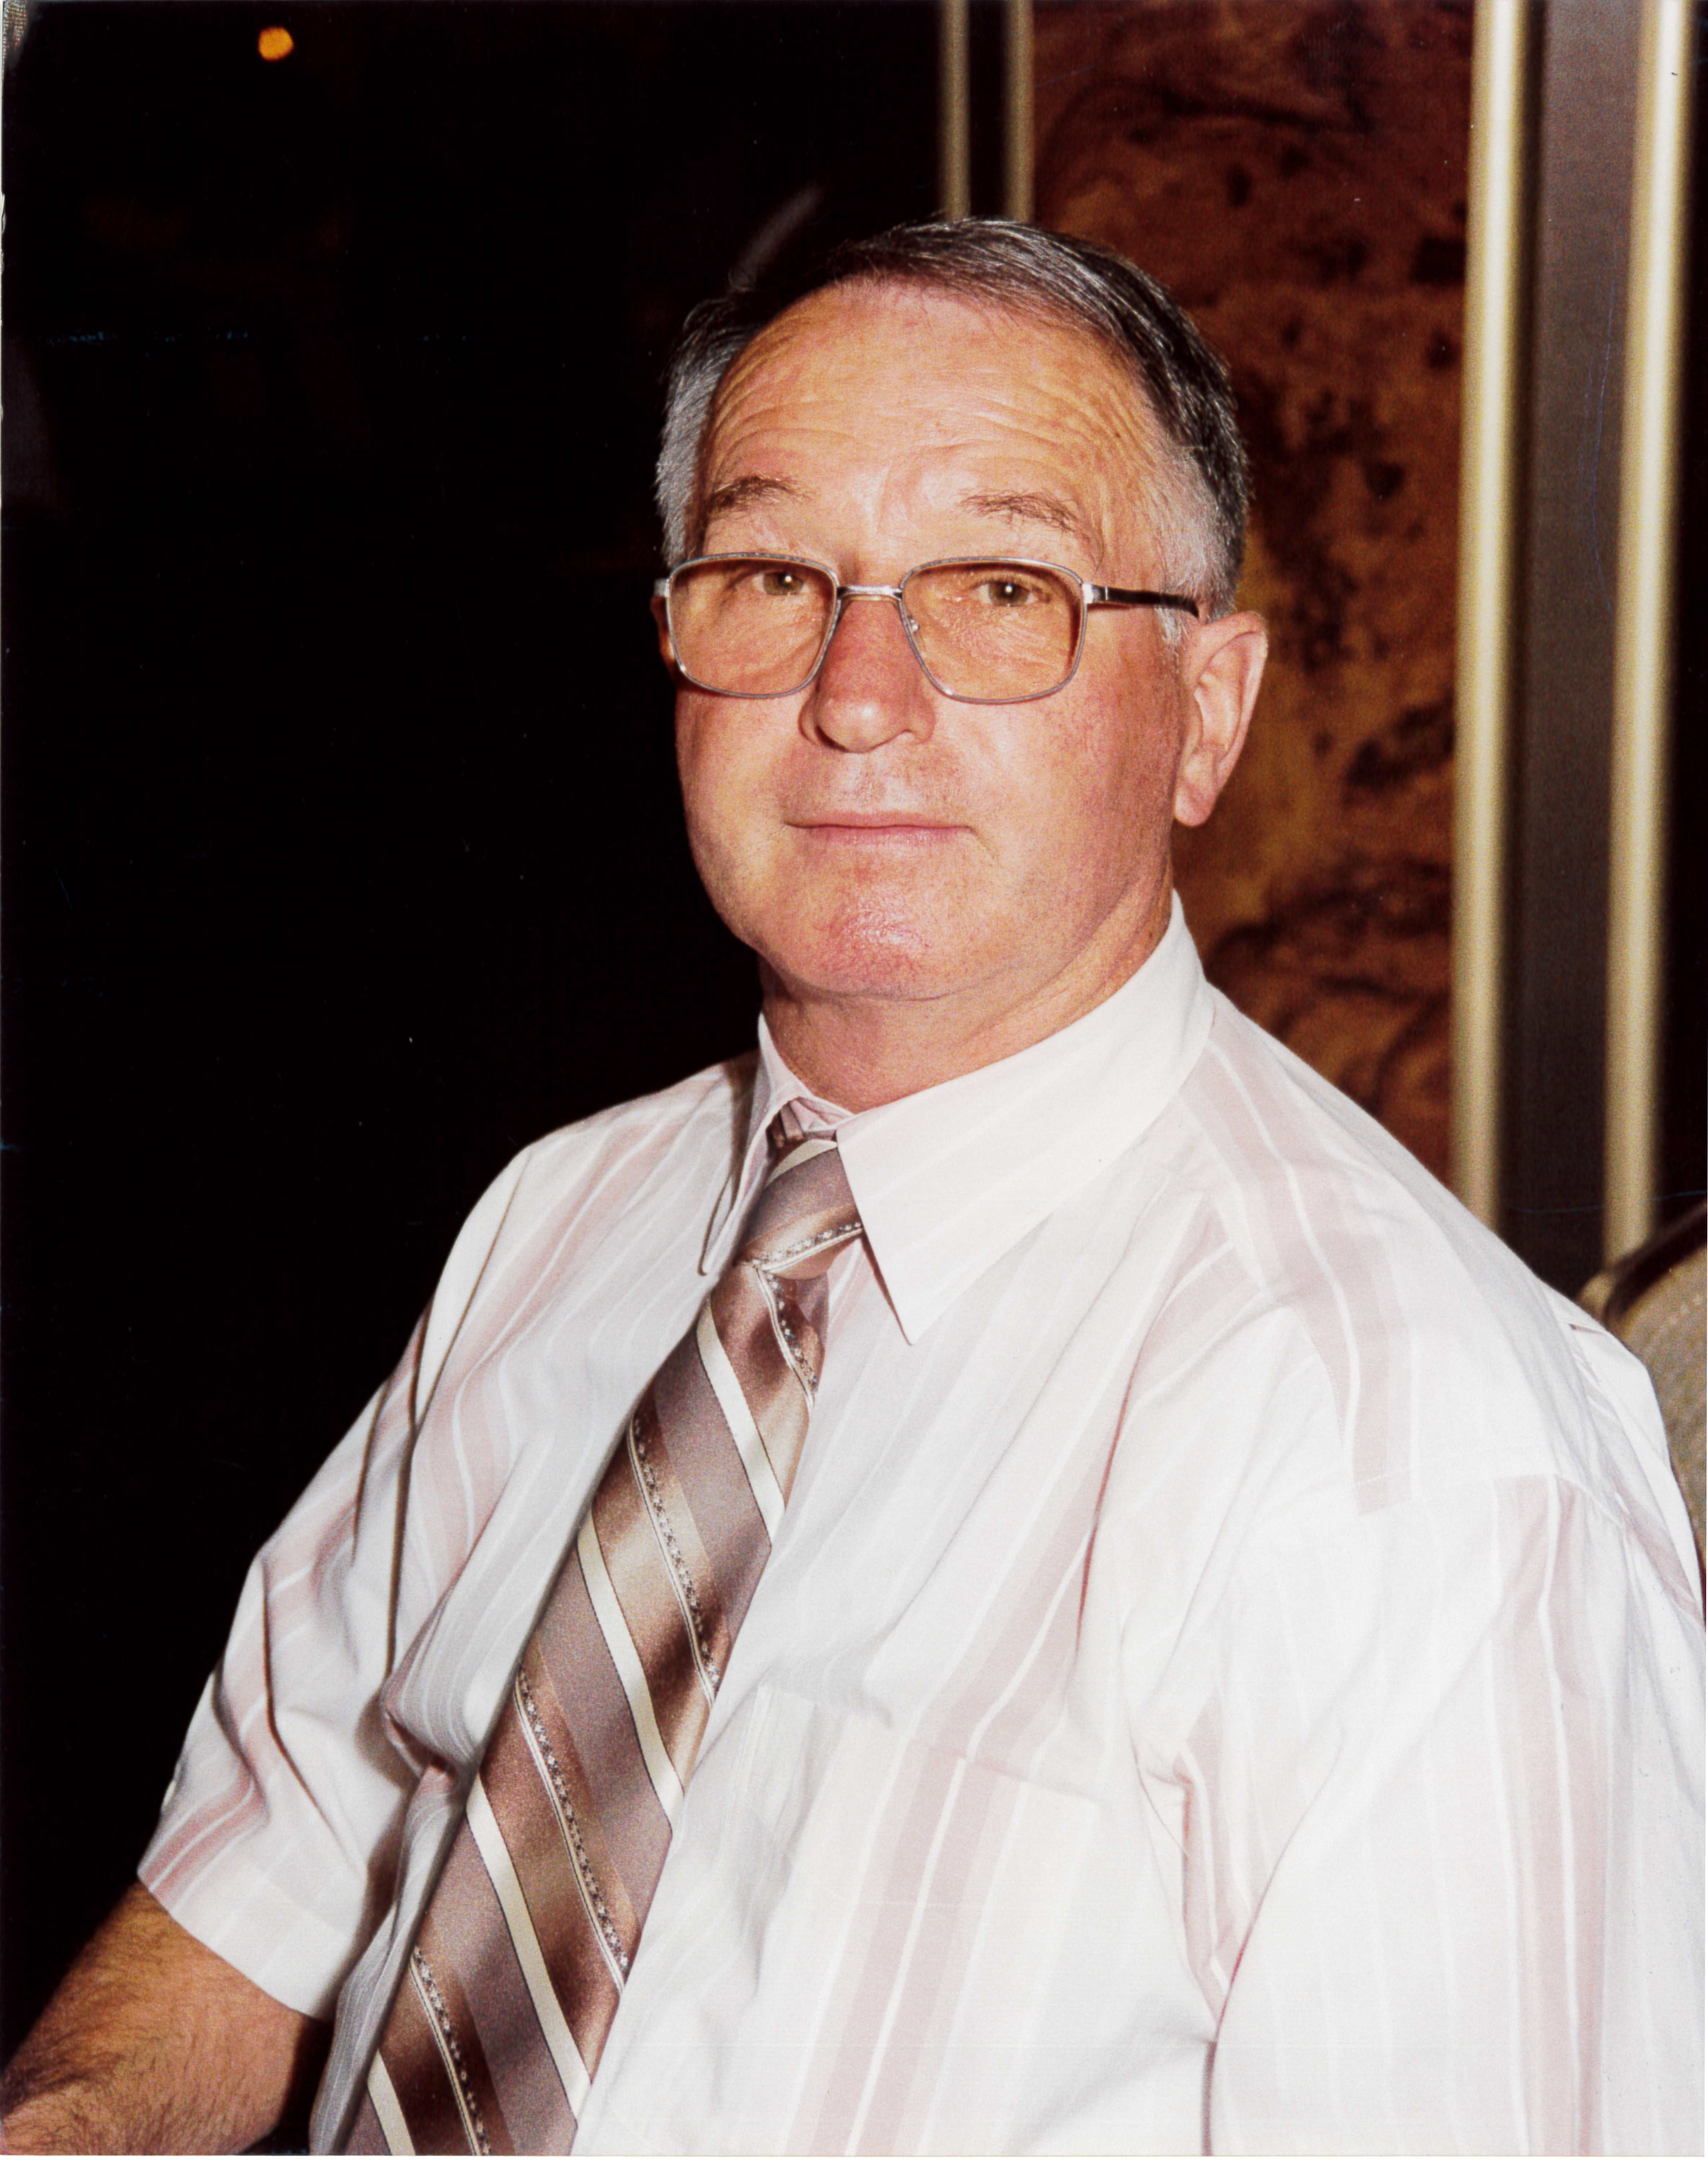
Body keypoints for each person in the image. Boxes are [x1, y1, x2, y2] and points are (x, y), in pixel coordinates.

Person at [2, 219, 1700, 2157]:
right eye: (772, 576)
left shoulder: (1415, 1459)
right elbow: (276, 1862)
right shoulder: (562, 1220)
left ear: (1207, 713)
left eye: (1000, 588)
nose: (859, 693)